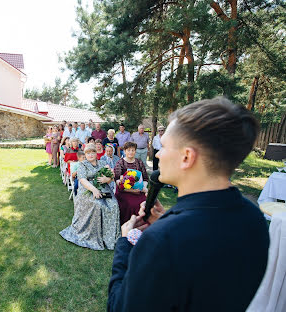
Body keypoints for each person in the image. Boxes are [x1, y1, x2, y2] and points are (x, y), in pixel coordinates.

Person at [108, 97, 269, 311]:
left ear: (186, 157)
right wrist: (168, 220)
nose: (157, 154)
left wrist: (126, 243)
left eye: (164, 146)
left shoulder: (162, 240)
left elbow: (120, 307)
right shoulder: (254, 217)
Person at [60, 144, 121, 250]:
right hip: (88, 190)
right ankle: (96, 236)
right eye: (88, 153)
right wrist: (94, 190)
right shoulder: (82, 165)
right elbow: (82, 180)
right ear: (85, 154)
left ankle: (110, 237)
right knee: (97, 205)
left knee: (114, 205)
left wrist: (107, 179)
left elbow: (111, 175)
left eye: (93, 152)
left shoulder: (102, 163)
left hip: (104, 189)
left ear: (96, 154)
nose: (90, 155)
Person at [113, 142, 148, 225]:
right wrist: (129, 188)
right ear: (125, 151)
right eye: (128, 150)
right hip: (124, 191)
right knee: (131, 204)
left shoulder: (139, 162)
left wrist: (142, 187)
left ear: (135, 151)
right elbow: (117, 179)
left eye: (133, 150)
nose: (131, 152)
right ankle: (127, 225)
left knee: (145, 202)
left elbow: (145, 178)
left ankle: (142, 225)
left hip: (139, 190)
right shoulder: (120, 163)